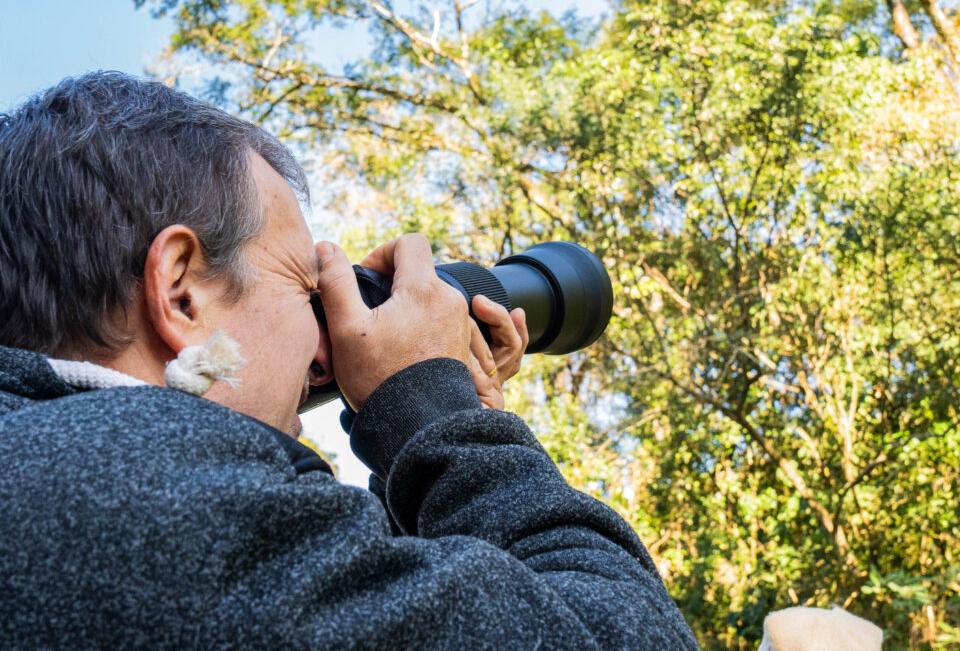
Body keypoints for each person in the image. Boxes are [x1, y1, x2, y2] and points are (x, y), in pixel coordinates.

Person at [0, 71, 699, 649]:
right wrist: (442, 420)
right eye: (308, 290)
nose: (325, 344)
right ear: (182, 293)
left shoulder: (70, 479)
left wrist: (426, 447)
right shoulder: (156, 503)